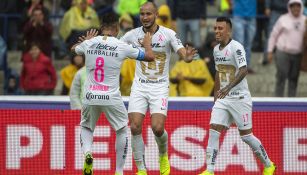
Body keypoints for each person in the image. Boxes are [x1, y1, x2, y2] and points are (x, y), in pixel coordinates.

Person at [71, 12, 155, 175]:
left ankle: (88, 154)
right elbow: (150, 57)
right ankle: (118, 171)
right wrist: (147, 44)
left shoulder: (90, 43)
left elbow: (74, 49)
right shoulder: (121, 45)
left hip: (90, 96)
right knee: (122, 130)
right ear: (116, 28)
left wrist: (86, 41)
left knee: (87, 127)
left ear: (101, 27)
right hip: (111, 97)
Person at [120, 2, 197, 175]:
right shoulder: (132, 35)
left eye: (148, 14)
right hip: (140, 86)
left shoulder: (168, 34)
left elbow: (182, 52)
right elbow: (115, 46)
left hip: (159, 87)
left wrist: (187, 58)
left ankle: (163, 155)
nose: (145, 17)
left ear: (156, 14)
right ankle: (141, 169)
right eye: (142, 14)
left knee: (158, 128)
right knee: (134, 126)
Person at [198, 17, 276, 175]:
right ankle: (210, 170)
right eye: (215, 28)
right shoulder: (215, 50)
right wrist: (216, 100)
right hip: (223, 99)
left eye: (220, 28)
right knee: (213, 130)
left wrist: (228, 87)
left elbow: (243, 70)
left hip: (240, 99)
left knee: (246, 136)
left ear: (229, 31)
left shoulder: (237, 47)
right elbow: (219, 74)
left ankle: (268, 165)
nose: (217, 31)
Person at [267, 0, 306, 97]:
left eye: (298, 6)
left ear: (301, 7)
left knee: (294, 79)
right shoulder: (282, 19)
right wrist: (270, 51)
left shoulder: (305, 20)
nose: (296, 8)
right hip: (282, 53)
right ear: (289, 7)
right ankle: (278, 102)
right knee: (281, 77)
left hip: (298, 54)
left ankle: (292, 103)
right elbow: (273, 35)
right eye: (293, 6)